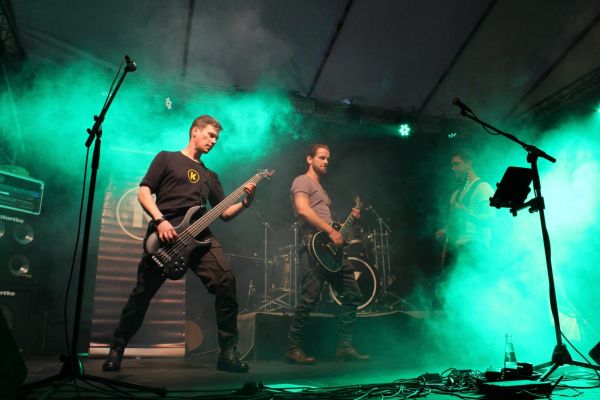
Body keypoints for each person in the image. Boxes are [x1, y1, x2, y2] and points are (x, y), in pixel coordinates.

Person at [102, 115, 255, 373]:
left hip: (201, 237)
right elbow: (143, 192)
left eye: (217, 138)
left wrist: (245, 203)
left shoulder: (210, 176)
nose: (214, 141)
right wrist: (160, 221)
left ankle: (228, 354)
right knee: (141, 295)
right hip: (167, 235)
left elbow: (225, 214)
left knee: (226, 282)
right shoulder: (167, 158)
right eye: (210, 135)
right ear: (195, 131)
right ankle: (116, 349)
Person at [285, 143, 369, 364]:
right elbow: (303, 209)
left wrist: (349, 222)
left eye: (328, 159)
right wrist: (331, 231)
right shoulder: (302, 181)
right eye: (322, 157)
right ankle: (292, 348)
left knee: (353, 294)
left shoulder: (323, 191)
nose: (326, 162)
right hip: (313, 247)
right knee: (309, 298)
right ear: (309, 159)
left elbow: (333, 227)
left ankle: (344, 346)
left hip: (332, 251)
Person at [434, 149, 495, 302]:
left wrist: (466, 214)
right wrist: (446, 230)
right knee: (454, 291)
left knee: (472, 291)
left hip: (476, 244)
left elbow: (491, 219)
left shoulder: (483, 187)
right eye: (452, 165)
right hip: (459, 245)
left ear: (468, 164)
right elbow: (456, 222)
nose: (453, 168)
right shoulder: (456, 194)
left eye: (457, 164)